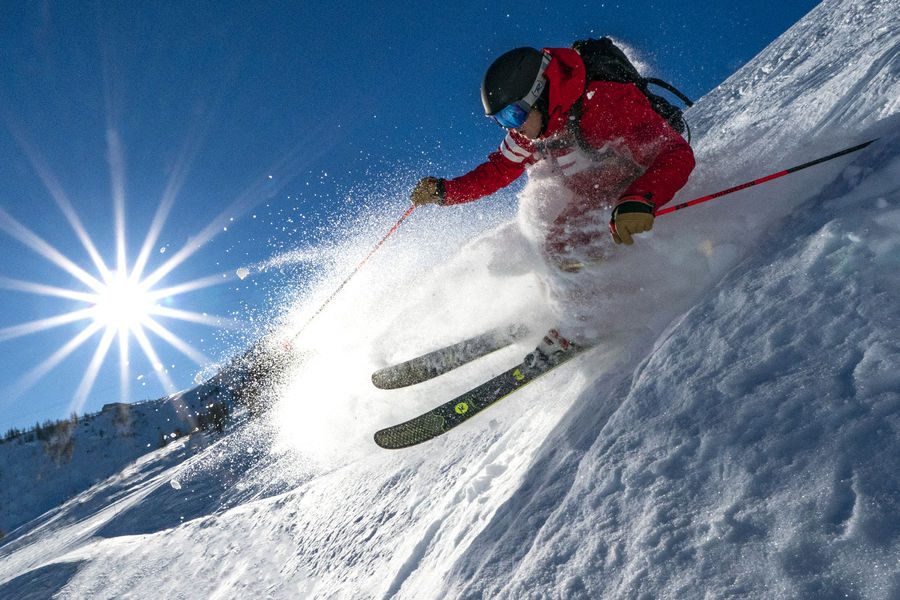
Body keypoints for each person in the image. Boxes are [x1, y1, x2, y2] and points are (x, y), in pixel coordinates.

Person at [410, 45, 695, 366]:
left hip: (633, 187)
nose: (511, 127)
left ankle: (590, 320)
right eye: (500, 119)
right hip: (595, 195)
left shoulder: (609, 104)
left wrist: (640, 198)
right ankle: (574, 309)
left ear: (540, 94)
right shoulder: (529, 134)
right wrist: (445, 192)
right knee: (554, 241)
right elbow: (497, 172)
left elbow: (676, 154)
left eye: (514, 114)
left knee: (575, 239)